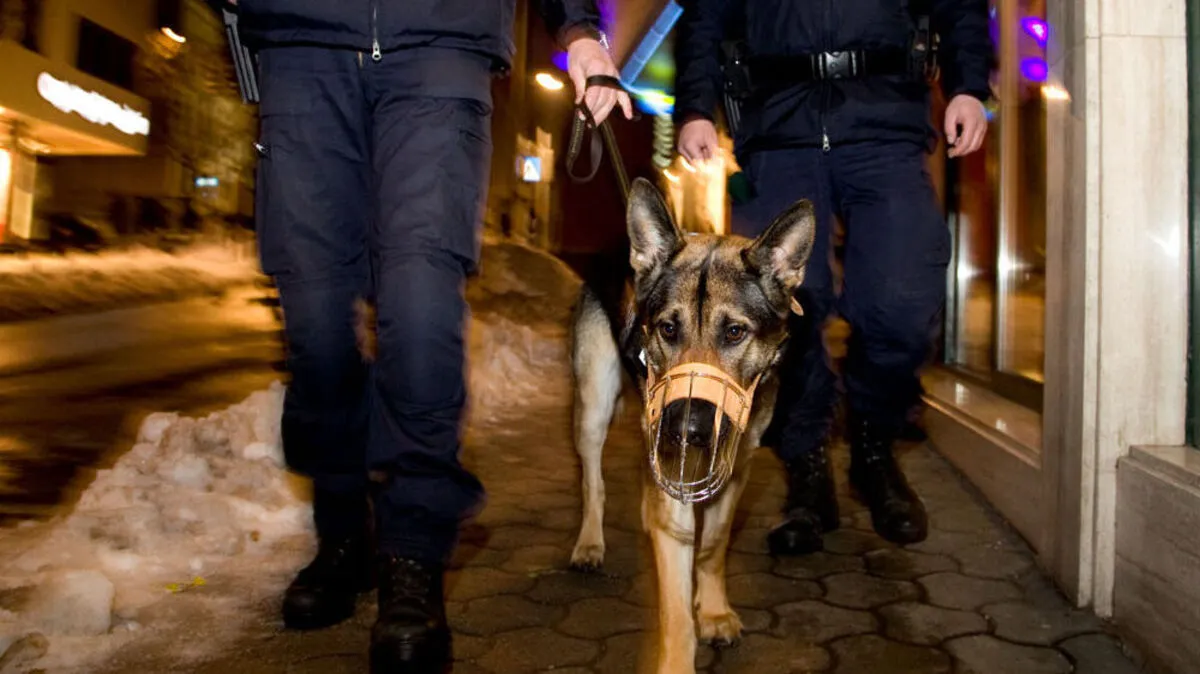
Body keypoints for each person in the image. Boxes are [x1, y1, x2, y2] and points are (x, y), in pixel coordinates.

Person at [210, 1, 630, 672]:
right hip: (303, 44)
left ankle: (412, 557)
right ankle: (343, 530)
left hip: (441, 42)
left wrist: (578, 29)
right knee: (315, 322)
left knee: (423, 309)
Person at [674, 0, 990, 555]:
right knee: (782, 319)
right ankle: (806, 468)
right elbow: (705, 13)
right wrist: (694, 107)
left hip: (886, 126)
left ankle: (874, 444)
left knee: (903, 300)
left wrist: (968, 85)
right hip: (778, 129)